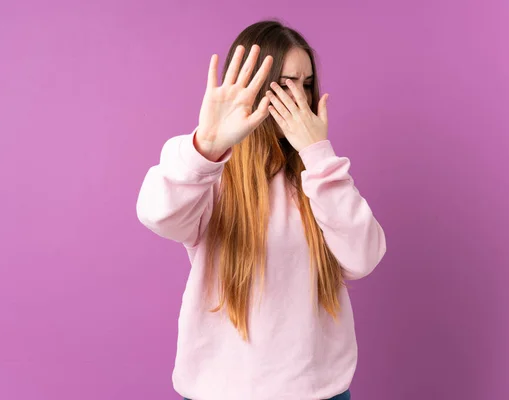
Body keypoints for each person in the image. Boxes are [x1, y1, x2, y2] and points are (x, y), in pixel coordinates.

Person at [136, 20, 386, 400]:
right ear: (254, 87)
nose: (299, 99)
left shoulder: (320, 177)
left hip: (319, 392)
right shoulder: (209, 172)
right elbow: (158, 213)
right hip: (220, 392)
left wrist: (317, 155)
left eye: (306, 85)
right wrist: (204, 147)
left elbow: (363, 256)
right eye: (286, 84)